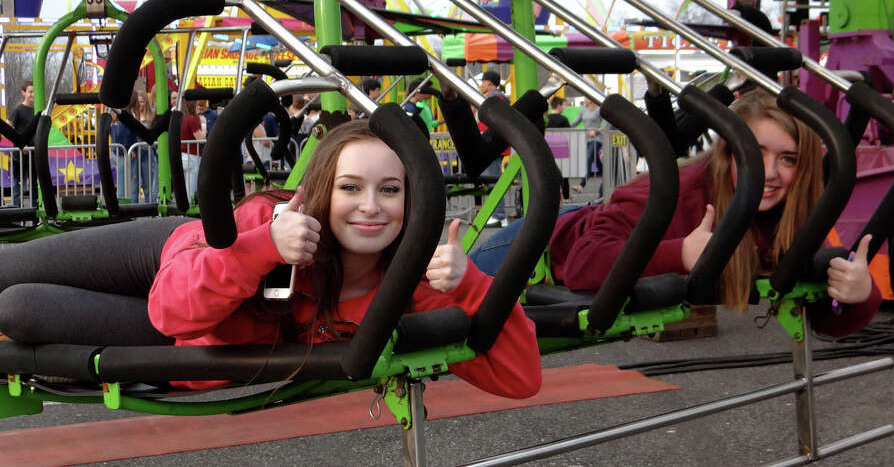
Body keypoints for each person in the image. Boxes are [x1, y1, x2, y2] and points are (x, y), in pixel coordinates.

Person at [0, 120, 541, 397]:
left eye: (391, 190)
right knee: (9, 268)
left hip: (196, 336)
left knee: (20, 309)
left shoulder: (413, 288)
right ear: (324, 191)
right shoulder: (272, 220)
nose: (371, 208)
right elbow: (171, 304)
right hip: (182, 258)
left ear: (412, 200)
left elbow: (521, 380)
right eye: (351, 188)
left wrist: (471, 286)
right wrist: (260, 248)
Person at [471, 89, 880, 337]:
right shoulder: (674, 193)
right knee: (430, 309)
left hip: (580, 240)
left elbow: (825, 321)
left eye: (788, 159)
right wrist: (680, 253)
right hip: (532, 246)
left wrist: (860, 296)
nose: (770, 174)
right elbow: (581, 265)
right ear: (727, 151)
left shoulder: (794, 208)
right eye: (756, 154)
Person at [477, 70, 510, 227]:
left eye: (483, 81)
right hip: (495, 143)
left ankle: (499, 215)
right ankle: (499, 215)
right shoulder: (498, 97)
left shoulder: (495, 99)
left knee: (493, 181)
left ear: (489, 83)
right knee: (493, 180)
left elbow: (493, 122)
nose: (481, 85)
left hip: (493, 144)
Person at [6, 81, 39, 207]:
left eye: (34, 91)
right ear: (23, 93)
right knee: (18, 186)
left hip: (33, 155)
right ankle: (16, 214)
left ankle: (36, 214)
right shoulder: (18, 110)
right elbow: (8, 127)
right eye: (30, 91)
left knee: (34, 185)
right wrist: (21, 145)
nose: (33, 94)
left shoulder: (36, 110)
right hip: (19, 156)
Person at [571, 100, 607, 197]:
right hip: (587, 140)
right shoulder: (583, 111)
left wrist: (596, 132)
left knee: (589, 158)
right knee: (597, 164)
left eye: (587, 97)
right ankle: (610, 177)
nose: (585, 99)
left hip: (597, 139)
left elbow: (606, 124)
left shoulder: (599, 110)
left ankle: (581, 185)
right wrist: (562, 127)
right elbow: (574, 123)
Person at [180, 97, 206, 202]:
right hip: (192, 156)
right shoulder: (192, 118)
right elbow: (201, 139)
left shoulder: (181, 118)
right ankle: (189, 211)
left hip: (182, 155)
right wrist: (203, 124)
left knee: (184, 187)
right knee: (192, 187)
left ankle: (184, 210)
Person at [545, 96, 571, 200]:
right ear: (559, 105)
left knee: (551, 173)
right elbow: (570, 135)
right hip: (562, 150)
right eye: (563, 105)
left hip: (550, 150)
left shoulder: (547, 119)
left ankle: (553, 196)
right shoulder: (563, 119)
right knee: (564, 174)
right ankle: (566, 196)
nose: (563, 108)